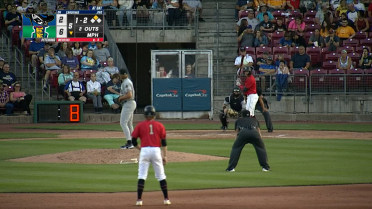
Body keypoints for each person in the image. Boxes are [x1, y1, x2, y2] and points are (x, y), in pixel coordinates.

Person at [131, 105, 171, 206]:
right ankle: (166, 199)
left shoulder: (140, 125)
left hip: (144, 150)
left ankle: (139, 200)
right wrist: (165, 156)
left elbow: (133, 140)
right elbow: (164, 142)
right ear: (154, 114)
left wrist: (140, 149)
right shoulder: (160, 125)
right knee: (161, 176)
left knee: (142, 176)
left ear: (144, 115)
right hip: (156, 151)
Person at [118, 69, 137, 150]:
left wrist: (120, 98)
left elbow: (129, 95)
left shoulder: (126, 82)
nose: (121, 75)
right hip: (130, 103)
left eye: (121, 74)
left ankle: (129, 142)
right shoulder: (126, 81)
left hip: (129, 103)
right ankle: (132, 142)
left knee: (123, 123)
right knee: (129, 124)